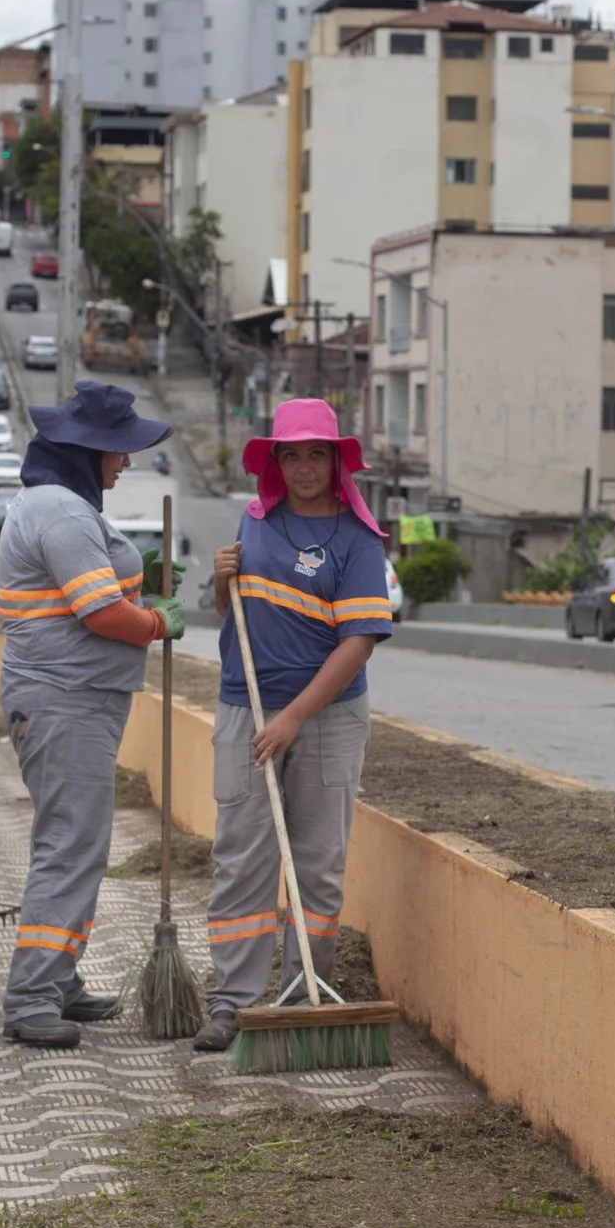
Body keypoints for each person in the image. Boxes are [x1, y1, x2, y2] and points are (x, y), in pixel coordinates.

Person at [193, 397, 396, 1054]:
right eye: (292, 454)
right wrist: (222, 585)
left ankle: (303, 992)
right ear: (274, 461)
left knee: (317, 861)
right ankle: (232, 1002)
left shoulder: (358, 540)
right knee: (243, 857)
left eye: (317, 453)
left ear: (336, 461)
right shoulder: (254, 523)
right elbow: (238, 621)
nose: (304, 466)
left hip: (327, 719)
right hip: (243, 709)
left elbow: (357, 644)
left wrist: (292, 720)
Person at [0, 380, 184, 1047]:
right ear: (89, 451)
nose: (125, 463)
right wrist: (159, 622)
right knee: (70, 845)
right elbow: (101, 613)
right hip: (64, 698)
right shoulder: (66, 515)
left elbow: (99, 589)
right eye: (118, 452)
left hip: (70, 696)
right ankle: (32, 995)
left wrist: (142, 581)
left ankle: (59, 977)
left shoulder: (58, 505)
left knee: (77, 842)